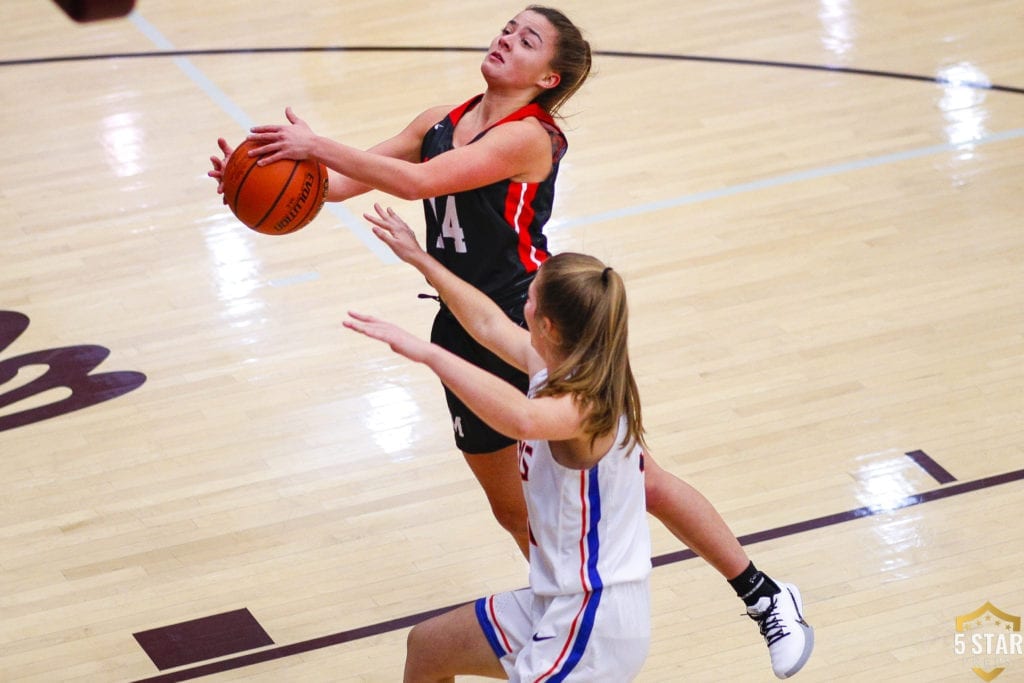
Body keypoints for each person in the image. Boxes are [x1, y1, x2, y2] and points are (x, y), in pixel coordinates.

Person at [208, 6, 813, 678]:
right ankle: (558, 611)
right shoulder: (440, 119)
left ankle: (762, 592)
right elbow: (342, 184)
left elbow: (415, 183)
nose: (506, 39)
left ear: (548, 76)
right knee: (510, 504)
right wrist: (252, 183)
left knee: (637, 478)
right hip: (459, 316)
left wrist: (314, 146)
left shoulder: (530, 138)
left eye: (526, 40)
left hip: (529, 316)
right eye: (507, 28)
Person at [347, 205, 651, 681]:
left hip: (595, 616)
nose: (520, 303)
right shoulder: (554, 363)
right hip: (556, 598)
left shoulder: (587, 403)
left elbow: (523, 418)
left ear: (547, 325)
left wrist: (430, 354)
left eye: (529, 298)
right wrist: (418, 257)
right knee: (429, 647)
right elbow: (487, 323)